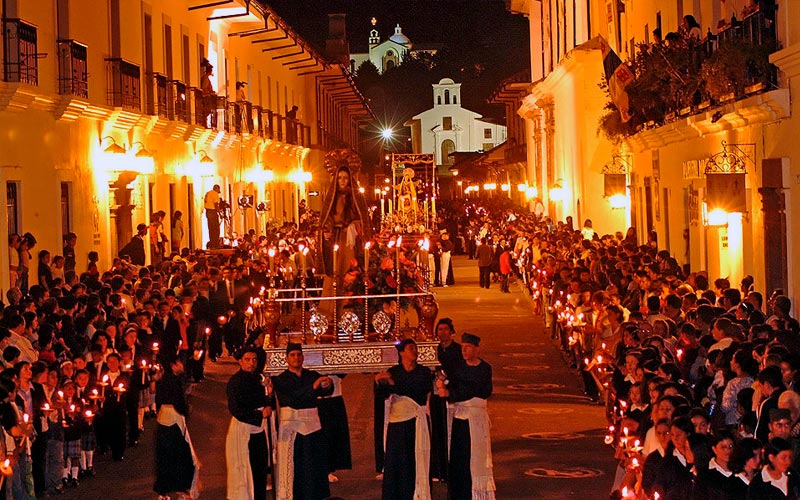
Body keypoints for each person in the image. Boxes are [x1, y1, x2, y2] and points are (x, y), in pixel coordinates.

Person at [437, 332, 495, 499]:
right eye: (462, 347)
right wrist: (442, 384)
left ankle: (477, 492)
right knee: (459, 457)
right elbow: (450, 383)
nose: (464, 350)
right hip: (460, 420)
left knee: (476, 456)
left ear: (477, 349)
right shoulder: (457, 368)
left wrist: (453, 393)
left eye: (468, 347)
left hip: (476, 419)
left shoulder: (484, 369)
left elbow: (481, 390)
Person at [272, 343, 333, 499]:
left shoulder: (311, 375)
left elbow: (324, 391)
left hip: (313, 427)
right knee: (295, 467)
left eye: (299, 354)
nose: (296, 358)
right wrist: (313, 387)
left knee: (314, 465)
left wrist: (327, 385)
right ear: (286, 358)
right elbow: (291, 399)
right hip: (293, 429)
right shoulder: (280, 379)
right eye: (292, 355)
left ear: (303, 357)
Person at [375, 339, 433, 500]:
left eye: (415, 348)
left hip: (416, 421)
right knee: (397, 460)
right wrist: (379, 382)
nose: (415, 351)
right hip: (398, 424)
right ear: (401, 353)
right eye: (411, 348)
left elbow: (419, 391)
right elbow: (382, 394)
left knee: (415, 458)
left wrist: (393, 384)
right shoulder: (394, 371)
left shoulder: (424, 372)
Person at [225, 347, 271, 500]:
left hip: (259, 430)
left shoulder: (258, 378)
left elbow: (265, 399)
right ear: (240, 361)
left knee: (260, 469)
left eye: (254, 360)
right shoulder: (235, 382)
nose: (252, 363)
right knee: (243, 470)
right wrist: (259, 415)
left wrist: (268, 401)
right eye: (247, 359)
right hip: (243, 429)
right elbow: (236, 409)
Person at [154, 356, 198, 500]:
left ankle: (163, 491)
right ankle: (180, 488)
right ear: (173, 365)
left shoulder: (163, 379)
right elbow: (179, 402)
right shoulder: (173, 380)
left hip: (163, 418)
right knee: (180, 454)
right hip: (174, 420)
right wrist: (186, 410)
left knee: (163, 455)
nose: (181, 366)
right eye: (179, 363)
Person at [316, 374, 351, 483]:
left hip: (334, 396)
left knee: (332, 435)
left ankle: (328, 469)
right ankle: (323, 470)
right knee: (319, 435)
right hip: (315, 396)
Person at [204, 185, 222, 249]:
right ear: (217, 188)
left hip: (208, 212)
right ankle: (216, 244)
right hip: (212, 212)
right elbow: (216, 204)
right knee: (216, 229)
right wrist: (219, 213)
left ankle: (212, 243)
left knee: (211, 229)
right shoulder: (215, 193)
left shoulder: (208, 193)